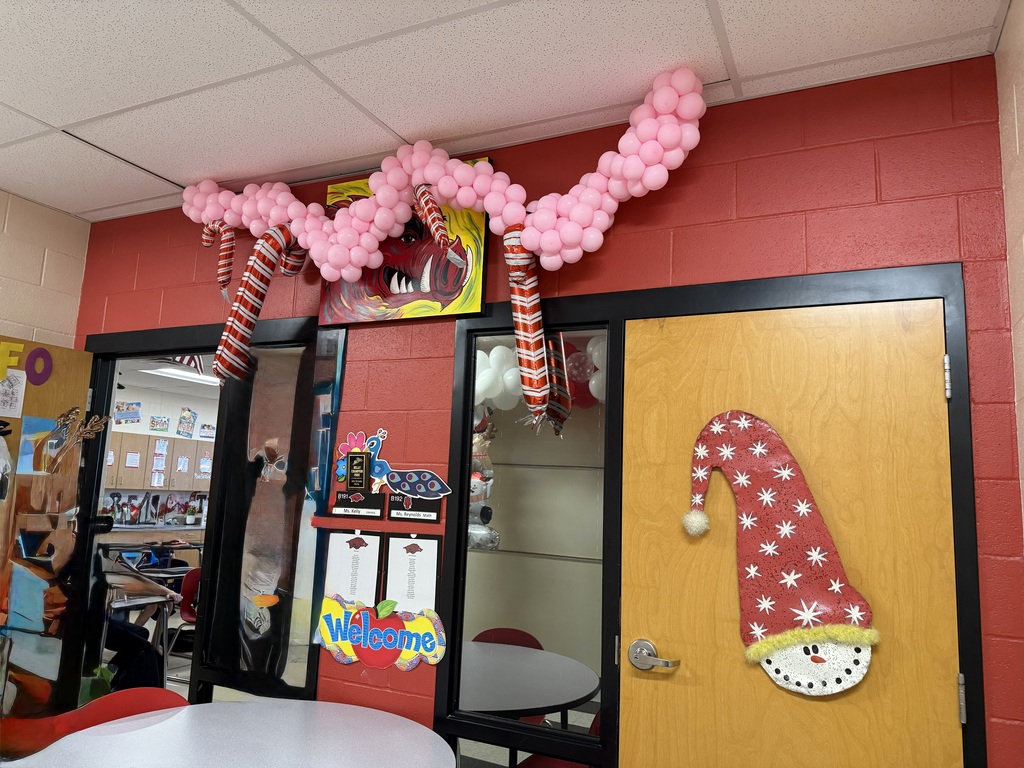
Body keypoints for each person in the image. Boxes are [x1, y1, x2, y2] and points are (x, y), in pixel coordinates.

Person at [101, 556, 182, 689]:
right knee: (144, 649)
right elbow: (131, 580)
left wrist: (167, 592)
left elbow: (135, 580)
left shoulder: (103, 560)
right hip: (90, 624)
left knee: (141, 633)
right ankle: (118, 682)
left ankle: (111, 671)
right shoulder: (94, 559)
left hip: (102, 620)